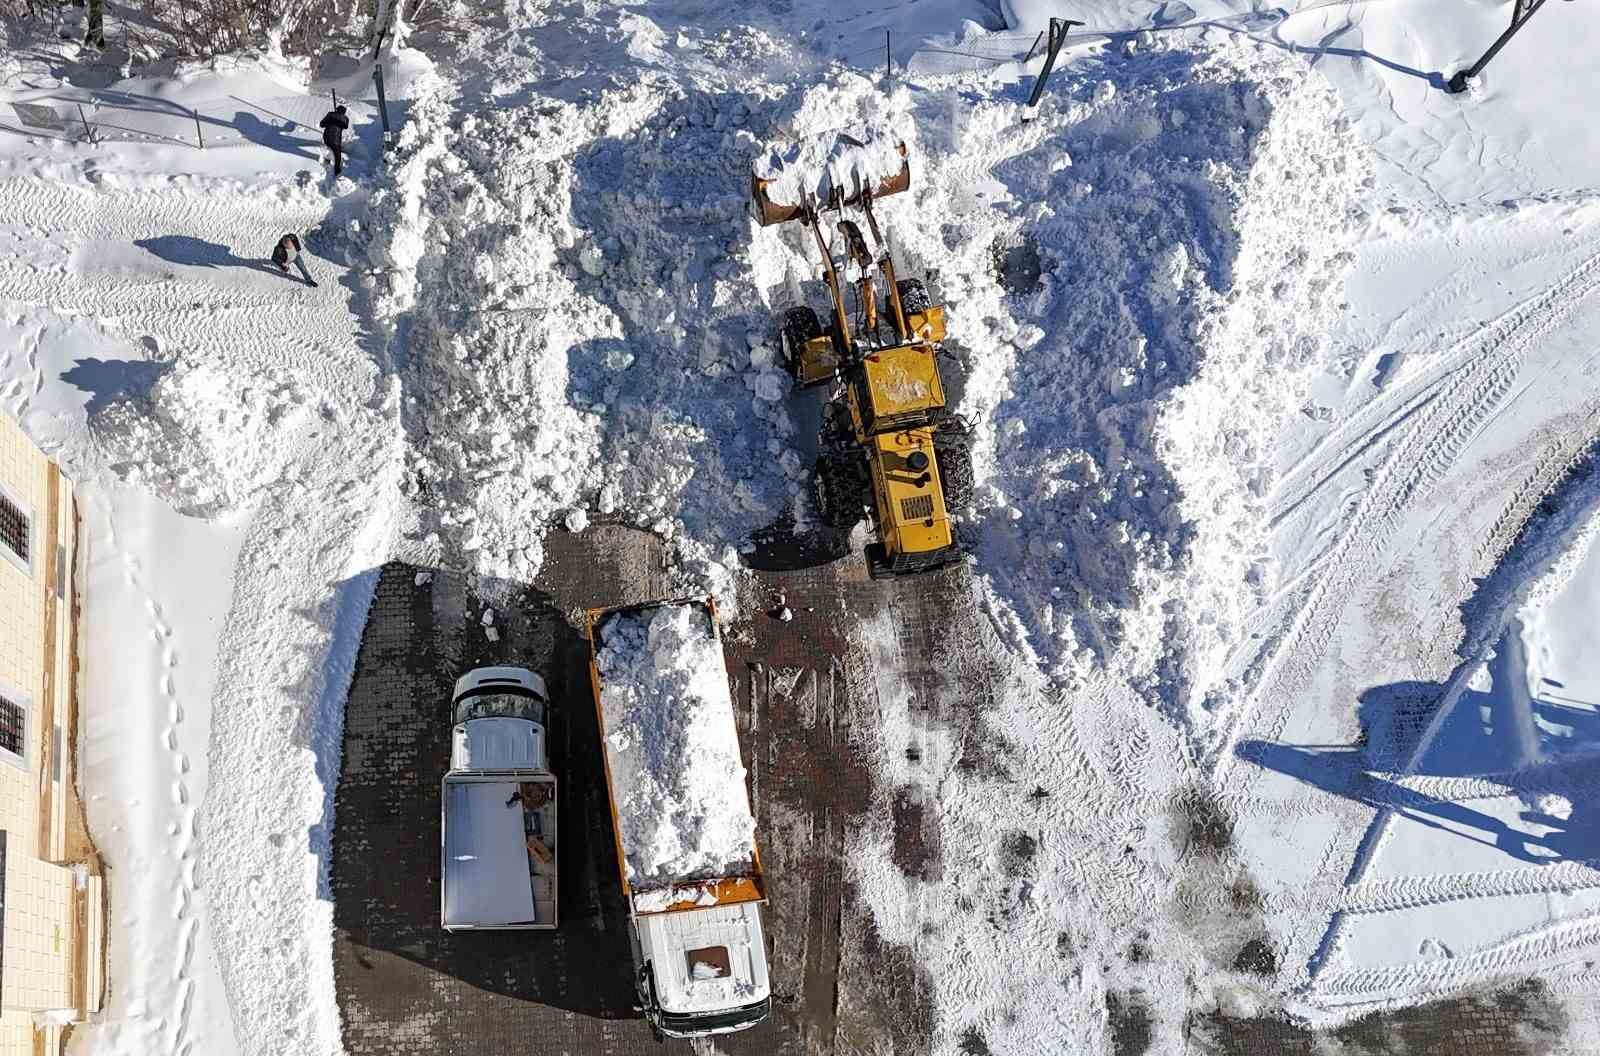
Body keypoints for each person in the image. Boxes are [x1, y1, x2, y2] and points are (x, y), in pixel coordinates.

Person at [320, 104, 350, 176]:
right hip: (335, 140)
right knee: (337, 154)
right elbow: (346, 126)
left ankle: (327, 159)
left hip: (326, 138)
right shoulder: (345, 118)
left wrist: (331, 120)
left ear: (337, 110)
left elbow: (322, 124)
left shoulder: (330, 114)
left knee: (333, 148)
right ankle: (337, 170)